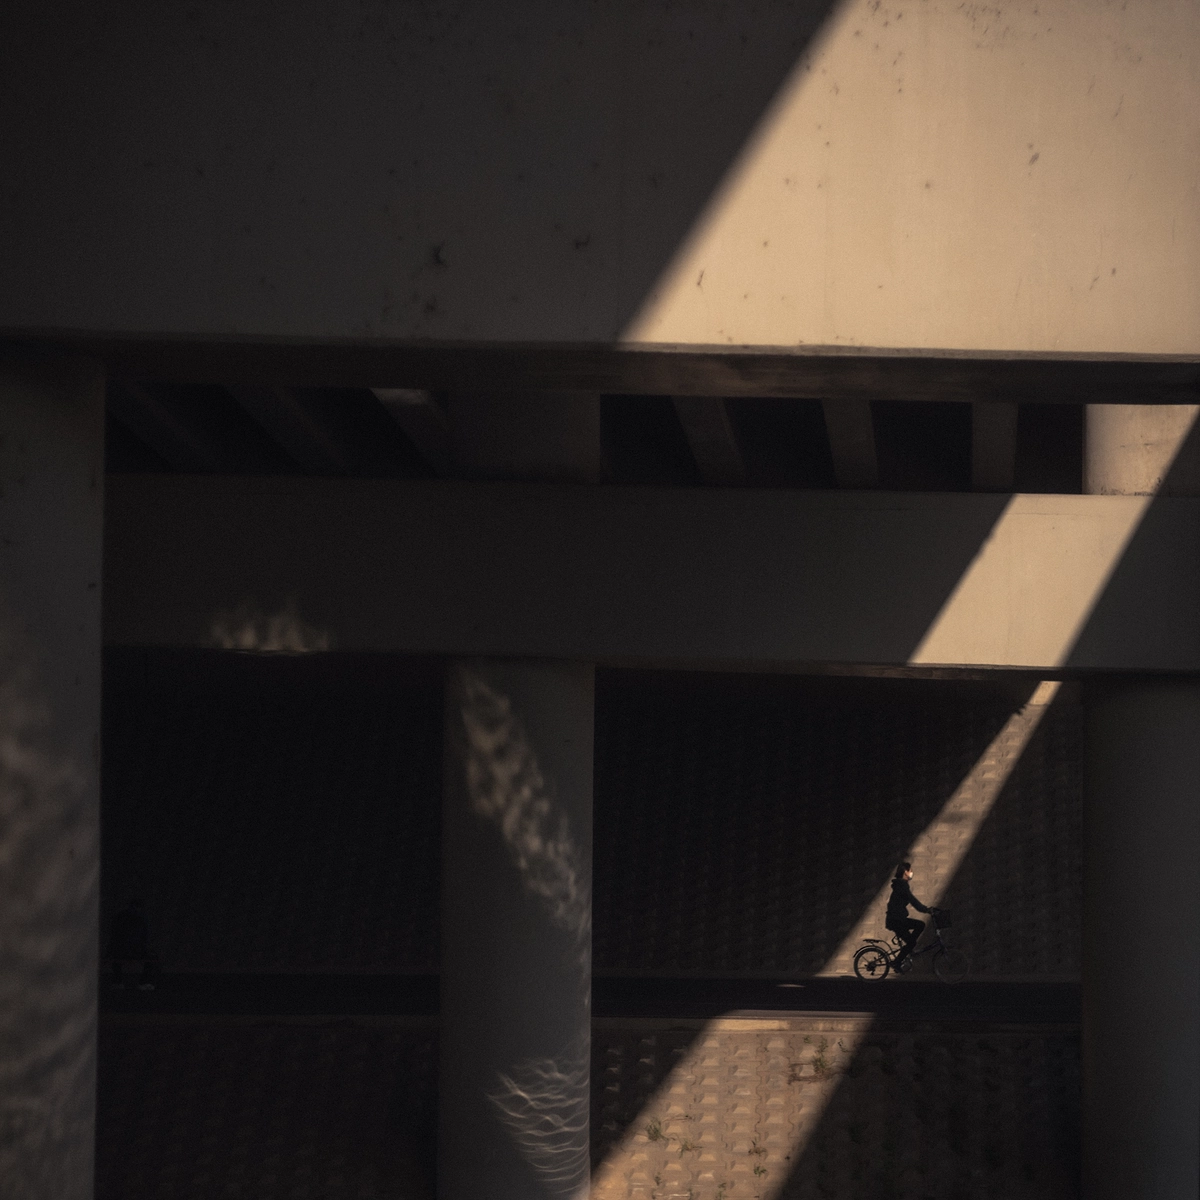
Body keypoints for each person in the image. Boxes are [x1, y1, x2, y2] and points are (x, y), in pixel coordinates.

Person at [885, 862, 931, 970]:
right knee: (918, 929)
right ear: (905, 872)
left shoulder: (901, 885)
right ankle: (896, 962)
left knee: (914, 936)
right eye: (910, 870)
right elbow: (913, 901)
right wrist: (927, 910)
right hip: (896, 920)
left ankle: (909, 949)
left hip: (897, 919)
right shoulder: (902, 886)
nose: (911, 873)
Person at [108, 898, 159, 989]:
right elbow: (145, 938)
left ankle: (118, 981)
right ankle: (144, 982)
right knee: (152, 958)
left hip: (121, 951)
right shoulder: (142, 917)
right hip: (133, 951)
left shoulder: (119, 916)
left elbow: (113, 935)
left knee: (115, 957)